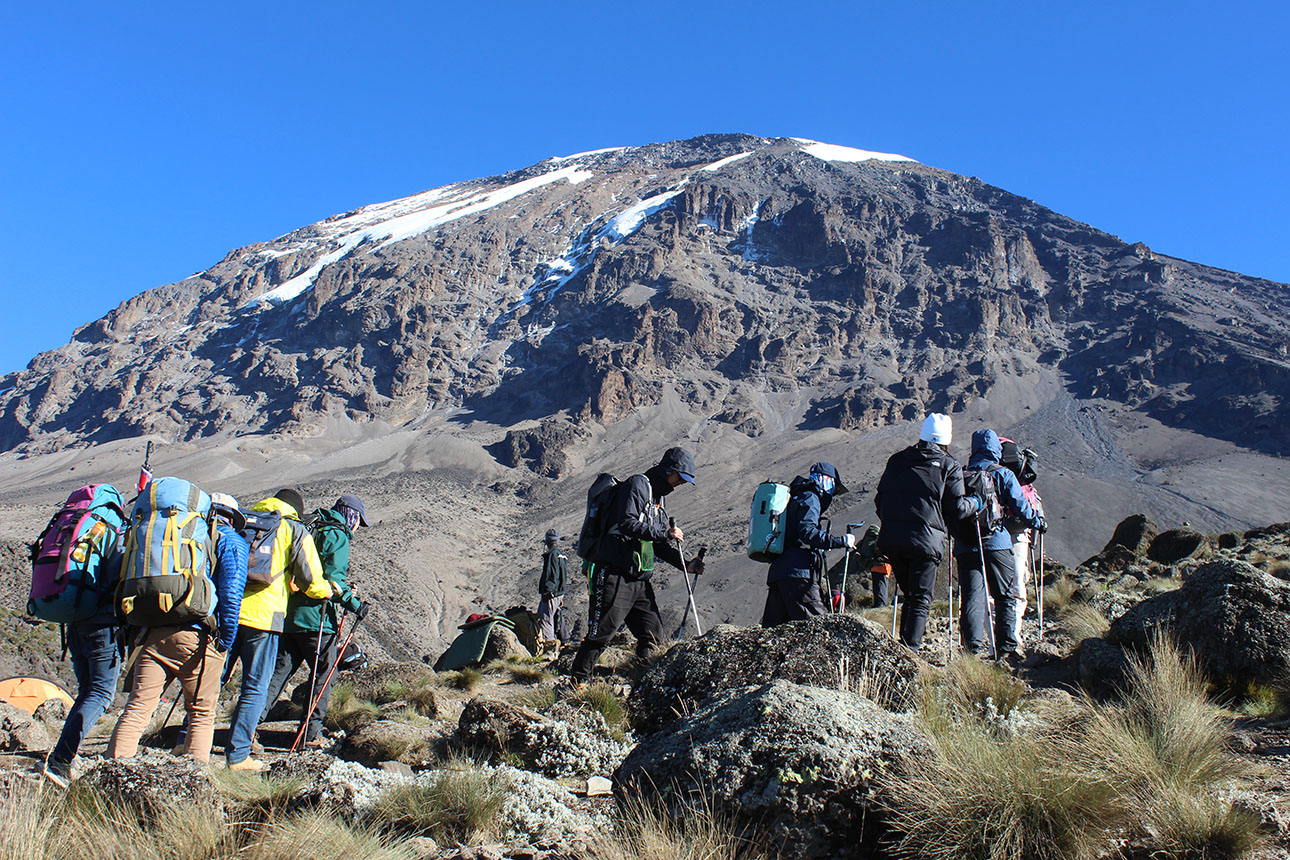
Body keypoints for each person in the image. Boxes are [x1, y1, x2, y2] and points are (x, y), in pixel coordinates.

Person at [106, 493, 248, 763]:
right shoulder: (230, 541)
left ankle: (109, 773)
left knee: (137, 707)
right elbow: (231, 595)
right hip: (198, 637)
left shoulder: (180, 536)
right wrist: (225, 643)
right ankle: (195, 783)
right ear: (231, 516)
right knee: (201, 712)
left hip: (153, 632)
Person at [569, 447, 705, 682]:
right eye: (680, 478)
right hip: (614, 573)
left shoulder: (658, 500)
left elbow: (659, 544)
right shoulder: (638, 485)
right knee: (601, 633)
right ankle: (577, 684)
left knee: (652, 634)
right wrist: (665, 533)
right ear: (669, 471)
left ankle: (644, 683)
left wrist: (685, 565)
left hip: (639, 579)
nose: (680, 484)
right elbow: (626, 523)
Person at [223, 488, 331, 772]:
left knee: (214, 679)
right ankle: (238, 755)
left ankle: (188, 739)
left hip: (229, 609)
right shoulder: (293, 528)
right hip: (264, 617)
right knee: (255, 686)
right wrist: (327, 591)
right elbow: (310, 577)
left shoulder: (244, 520)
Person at [260, 494, 369, 747]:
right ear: (350, 515)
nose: (356, 527)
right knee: (325, 674)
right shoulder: (337, 534)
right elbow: (332, 579)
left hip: (289, 615)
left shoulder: (309, 527)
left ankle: (250, 725)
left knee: (279, 673)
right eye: (357, 521)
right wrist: (355, 605)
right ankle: (310, 734)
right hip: (317, 619)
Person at [874, 414, 981, 650]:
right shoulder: (948, 465)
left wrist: (892, 523)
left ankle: (903, 647)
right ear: (946, 439)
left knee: (909, 594)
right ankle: (910, 649)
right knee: (921, 597)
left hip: (891, 539)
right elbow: (956, 508)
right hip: (925, 542)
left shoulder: (897, 460)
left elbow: (879, 499)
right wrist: (977, 502)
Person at [954, 429, 1046, 663]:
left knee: (972, 596)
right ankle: (1005, 648)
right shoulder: (1003, 474)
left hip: (966, 545)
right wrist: (1038, 522)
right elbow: (1021, 508)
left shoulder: (961, 475)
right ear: (996, 448)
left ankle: (971, 650)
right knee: (1004, 595)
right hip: (997, 542)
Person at [42, 568, 124, 787]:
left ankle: (61, 756)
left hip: (75, 624)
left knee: (88, 691)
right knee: (101, 694)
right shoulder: (112, 538)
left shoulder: (85, 537)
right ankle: (60, 760)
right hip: (102, 626)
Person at [763, 463, 855, 626]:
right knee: (820, 627)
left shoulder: (795, 497)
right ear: (828, 481)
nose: (832, 494)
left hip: (780, 571)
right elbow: (808, 533)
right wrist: (841, 541)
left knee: (773, 631)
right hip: (799, 573)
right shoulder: (810, 497)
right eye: (833, 488)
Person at [999, 438, 1045, 642]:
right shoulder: (1021, 478)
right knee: (1018, 583)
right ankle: (1013, 635)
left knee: (994, 587)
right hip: (1019, 533)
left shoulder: (990, 471)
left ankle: (995, 634)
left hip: (993, 532)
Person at [538, 529, 567, 649]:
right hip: (559, 592)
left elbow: (551, 575)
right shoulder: (560, 555)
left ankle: (549, 647)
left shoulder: (551, 555)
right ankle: (564, 639)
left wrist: (548, 591)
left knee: (545, 619)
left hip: (552, 593)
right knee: (556, 615)